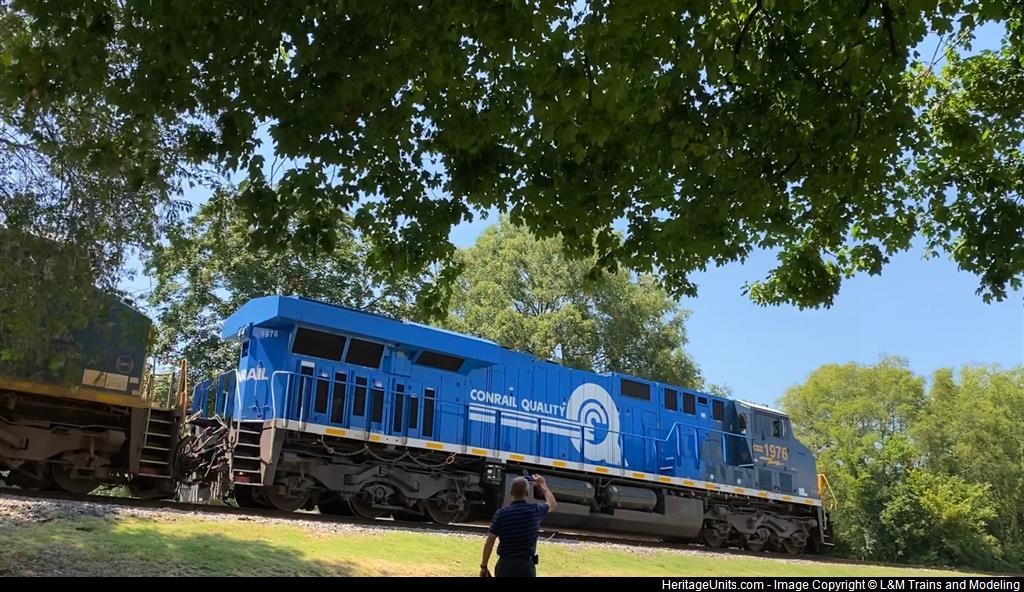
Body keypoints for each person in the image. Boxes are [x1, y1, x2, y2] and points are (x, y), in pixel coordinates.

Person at [480, 474, 557, 577]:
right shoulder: (535, 510)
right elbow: (552, 504)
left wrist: (484, 566)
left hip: (505, 566)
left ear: (511, 492)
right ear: (527, 493)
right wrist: (543, 484)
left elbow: (490, 540)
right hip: (526, 567)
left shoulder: (501, 514)